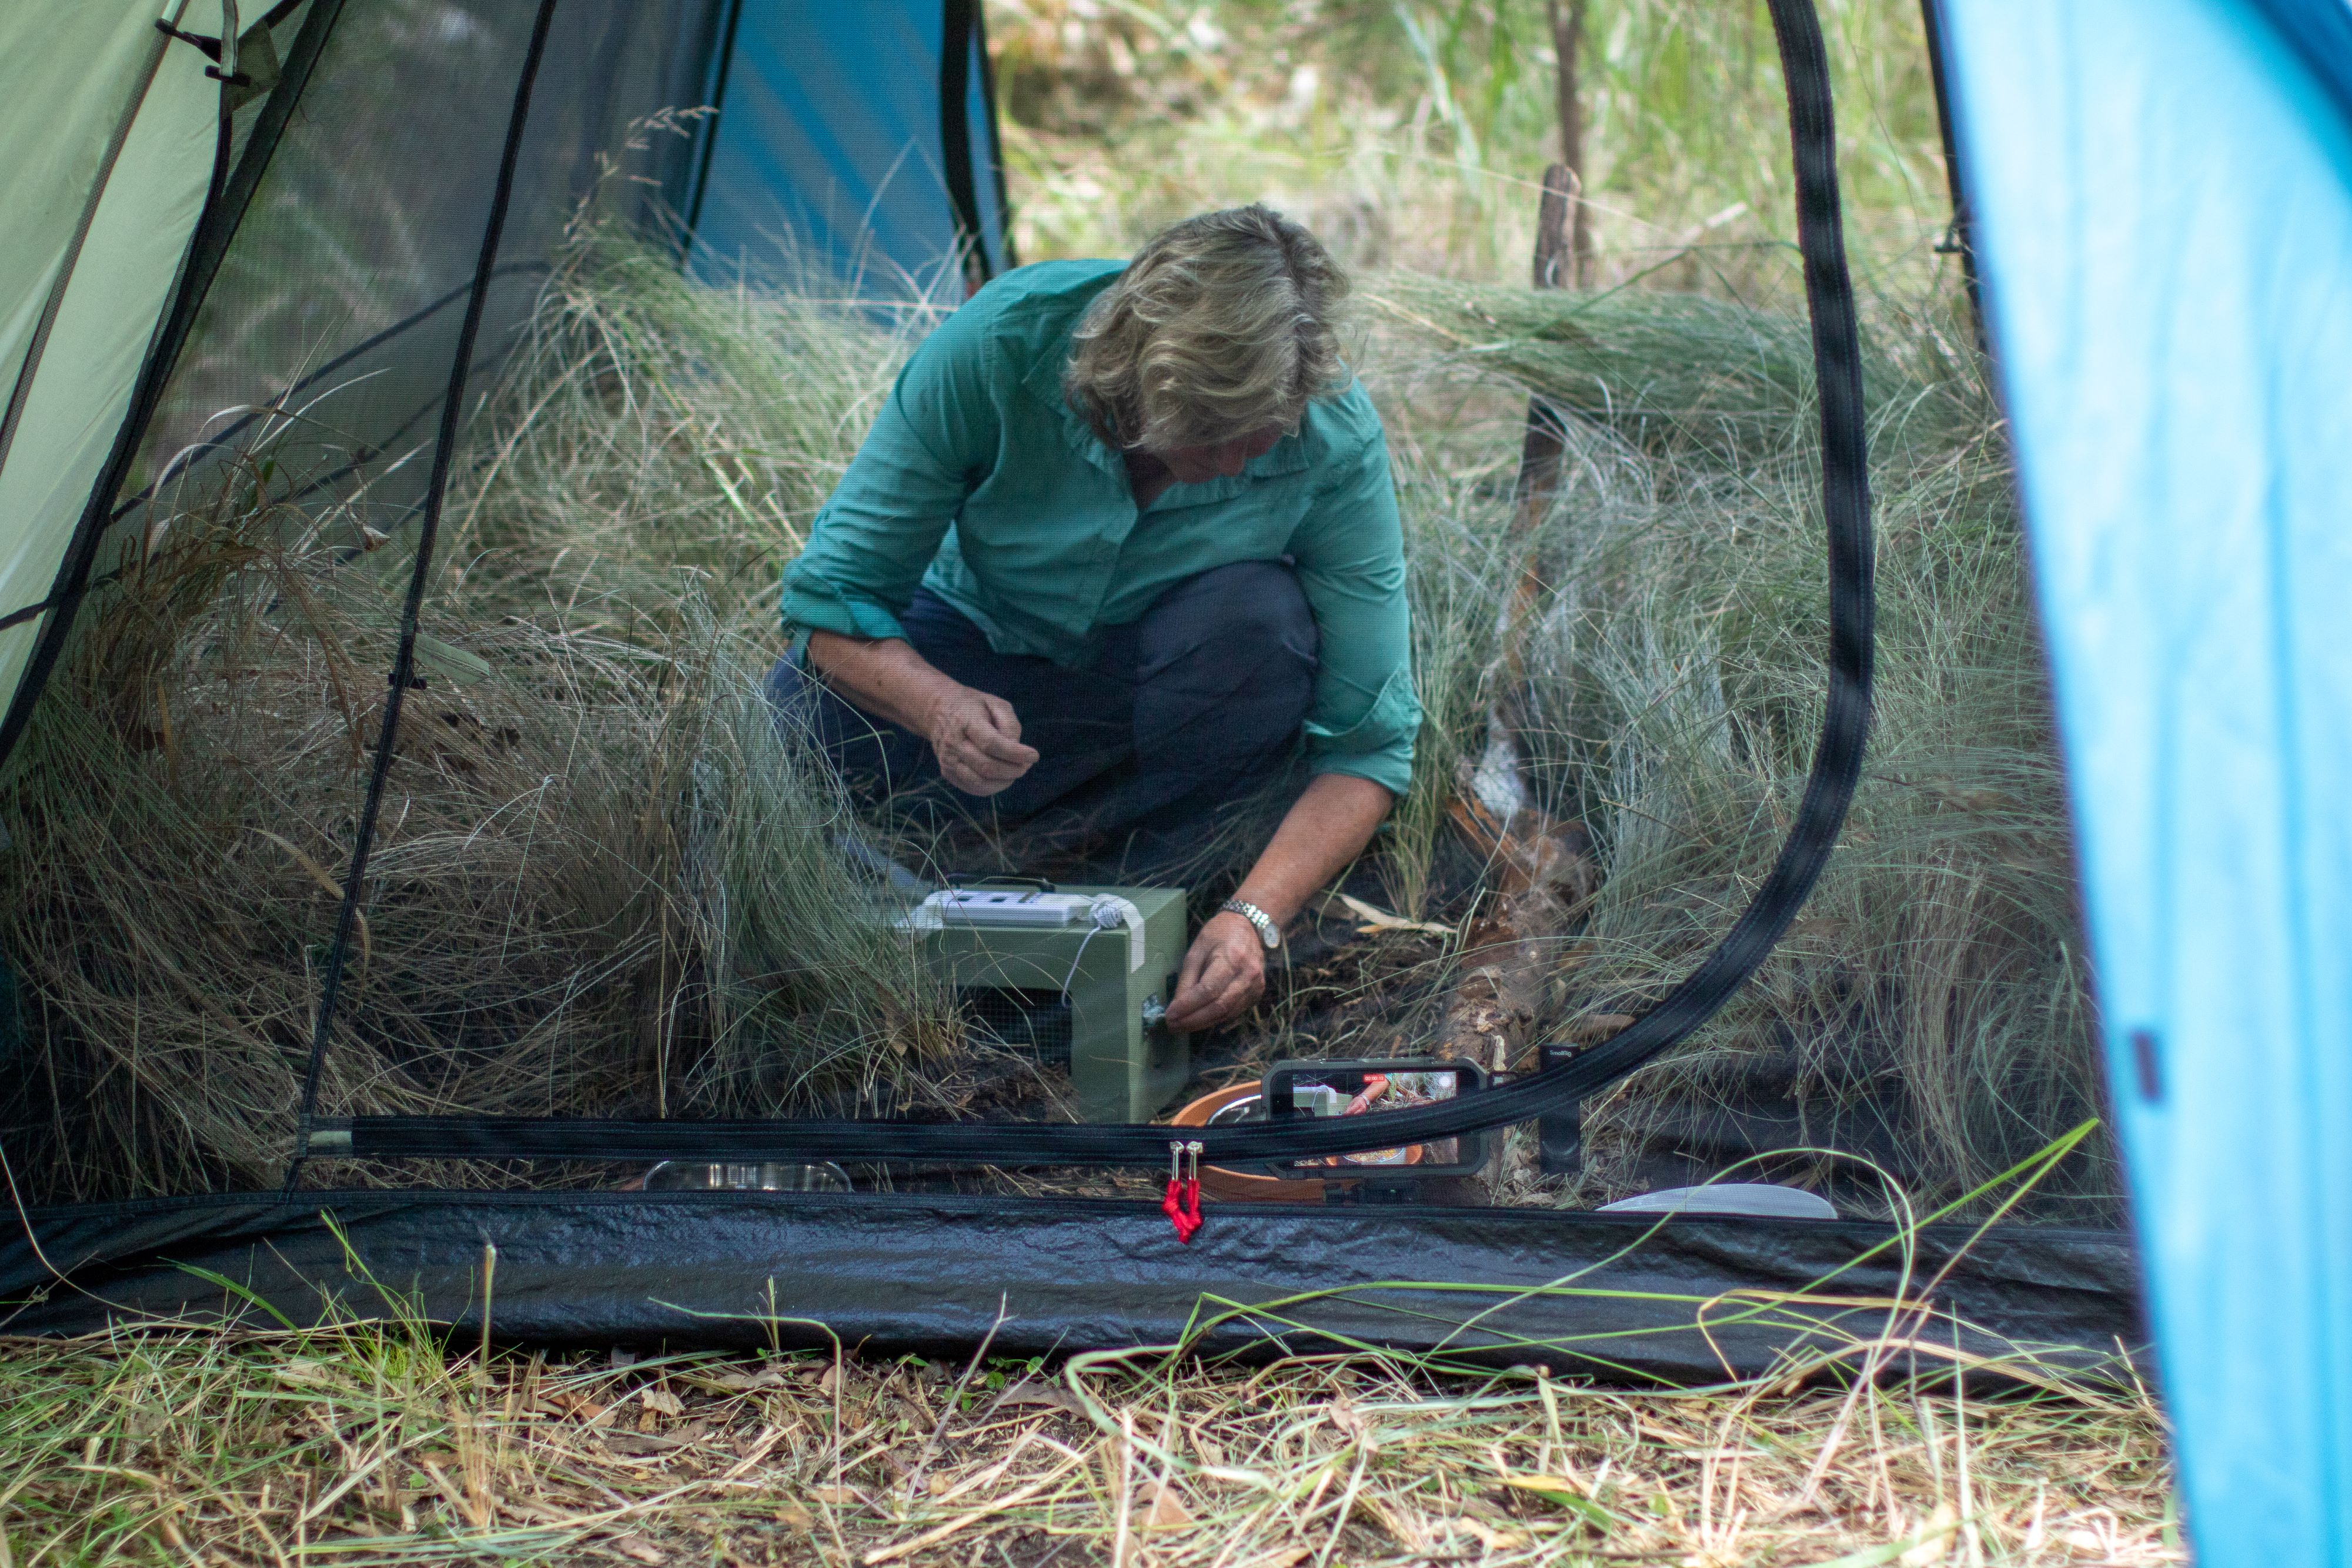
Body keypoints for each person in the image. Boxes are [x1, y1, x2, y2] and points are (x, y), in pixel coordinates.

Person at [768, 206, 1418, 1034]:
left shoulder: (1332, 436)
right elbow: (832, 598)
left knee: (1263, 629)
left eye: (1261, 439)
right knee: (791, 710)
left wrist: (1257, 916)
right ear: (1139, 375)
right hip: (974, 653)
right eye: (1212, 434)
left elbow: (1370, 742)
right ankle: (923, 917)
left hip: (1154, 697)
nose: (1232, 464)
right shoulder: (1002, 344)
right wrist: (936, 705)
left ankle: (1150, 912)